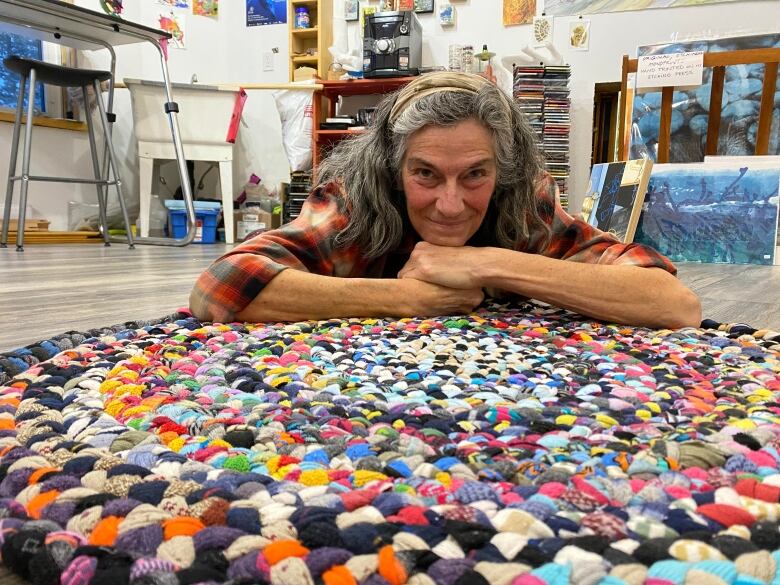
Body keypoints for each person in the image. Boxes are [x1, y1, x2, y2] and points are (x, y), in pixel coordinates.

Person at [190, 72, 701, 329]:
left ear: (504, 170)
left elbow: (675, 305)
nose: (451, 205)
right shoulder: (354, 201)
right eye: (425, 174)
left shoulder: (525, 201)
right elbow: (217, 287)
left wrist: (488, 263)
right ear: (393, 169)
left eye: (475, 174)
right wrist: (404, 300)